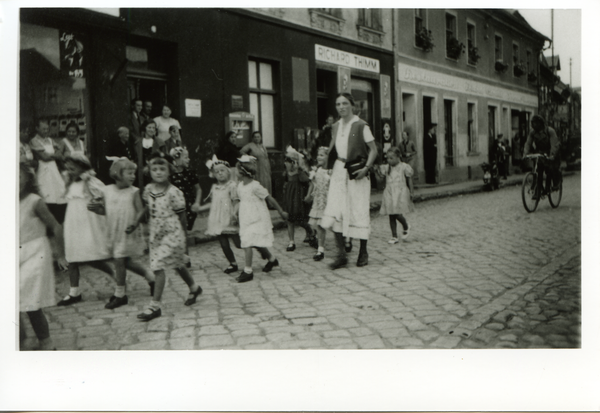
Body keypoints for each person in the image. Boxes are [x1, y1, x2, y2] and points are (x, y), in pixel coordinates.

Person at [127, 153, 203, 321]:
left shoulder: (174, 192)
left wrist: (183, 239)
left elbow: (182, 217)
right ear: (149, 171)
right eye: (154, 169)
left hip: (172, 232)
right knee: (177, 263)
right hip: (156, 232)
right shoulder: (148, 190)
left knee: (158, 266)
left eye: (162, 169)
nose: (158, 172)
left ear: (170, 171)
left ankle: (155, 305)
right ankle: (194, 287)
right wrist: (136, 222)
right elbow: (146, 209)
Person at [320, 93, 378, 269]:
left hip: (357, 172)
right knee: (335, 210)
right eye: (338, 104)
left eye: (345, 103)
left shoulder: (361, 125)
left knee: (358, 210)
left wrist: (366, 168)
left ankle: (363, 251)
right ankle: (342, 255)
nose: (341, 107)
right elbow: (333, 149)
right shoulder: (336, 126)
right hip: (339, 171)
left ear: (352, 105)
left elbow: (373, 150)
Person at [89, 157, 156, 309]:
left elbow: (140, 211)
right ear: (117, 173)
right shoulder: (107, 191)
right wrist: (97, 209)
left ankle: (120, 294)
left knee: (119, 260)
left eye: (134, 173)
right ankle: (151, 277)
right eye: (129, 173)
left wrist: (135, 223)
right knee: (125, 261)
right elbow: (107, 210)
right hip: (113, 230)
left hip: (127, 231)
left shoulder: (134, 192)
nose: (133, 176)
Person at [19, 164, 68, 350]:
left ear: (27, 180)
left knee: (30, 301)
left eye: (19, 177)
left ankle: (46, 343)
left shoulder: (34, 201)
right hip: (15, 253)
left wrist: (61, 254)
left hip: (35, 253)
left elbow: (56, 226)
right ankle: (20, 343)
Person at [57, 153, 115, 306]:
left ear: (83, 167)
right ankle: (74, 292)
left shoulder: (90, 181)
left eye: (73, 168)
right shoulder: (70, 182)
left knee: (93, 257)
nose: (70, 171)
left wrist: (99, 204)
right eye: (68, 168)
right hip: (73, 223)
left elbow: (106, 195)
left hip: (87, 224)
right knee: (72, 258)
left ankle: (116, 277)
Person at [235, 156, 288, 283]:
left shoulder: (255, 186)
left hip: (257, 218)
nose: (235, 172)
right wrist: (235, 214)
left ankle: (248, 271)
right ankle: (271, 259)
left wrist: (280, 211)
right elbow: (240, 201)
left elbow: (270, 198)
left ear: (243, 172)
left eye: (237, 170)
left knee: (248, 241)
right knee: (255, 242)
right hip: (246, 217)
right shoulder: (240, 186)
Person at [199, 157, 242, 274]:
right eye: (217, 172)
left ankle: (260, 249)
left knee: (239, 243)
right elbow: (213, 204)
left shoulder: (232, 186)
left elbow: (236, 201)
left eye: (222, 171)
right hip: (218, 220)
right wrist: (201, 208)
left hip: (230, 218)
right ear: (213, 175)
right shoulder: (215, 187)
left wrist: (235, 214)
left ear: (228, 171)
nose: (220, 174)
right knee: (223, 243)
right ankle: (232, 263)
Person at [29, 119, 67, 223]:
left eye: (47, 129)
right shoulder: (34, 141)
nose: (46, 131)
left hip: (53, 170)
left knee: (59, 192)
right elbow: (43, 157)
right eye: (43, 129)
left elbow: (59, 150)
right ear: (37, 128)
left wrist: (52, 155)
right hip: (43, 170)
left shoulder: (50, 140)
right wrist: (56, 156)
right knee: (47, 194)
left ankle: (58, 221)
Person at [282, 146, 317, 252]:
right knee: (290, 219)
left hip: (298, 198)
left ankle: (311, 232)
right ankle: (291, 241)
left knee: (300, 219)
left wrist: (308, 195)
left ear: (294, 163)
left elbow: (310, 183)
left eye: (288, 162)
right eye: (285, 162)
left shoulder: (300, 173)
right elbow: (286, 183)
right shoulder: (287, 173)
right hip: (290, 196)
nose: (286, 164)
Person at [379, 147, 414, 244]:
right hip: (389, 192)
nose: (389, 160)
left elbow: (409, 179)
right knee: (391, 214)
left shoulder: (404, 167)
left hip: (400, 192)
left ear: (398, 157)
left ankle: (406, 225)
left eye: (391, 158)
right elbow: (381, 177)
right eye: (388, 158)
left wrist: (411, 191)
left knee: (397, 213)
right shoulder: (386, 168)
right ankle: (394, 236)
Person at [523, 114, 561, 199]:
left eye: (536, 123)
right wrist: (525, 154)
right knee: (539, 171)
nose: (534, 126)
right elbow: (528, 143)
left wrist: (552, 155)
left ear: (541, 124)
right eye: (533, 123)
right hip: (540, 153)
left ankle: (551, 186)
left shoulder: (550, 131)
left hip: (550, 151)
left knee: (551, 169)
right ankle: (538, 191)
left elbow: (554, 145)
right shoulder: (533, 132)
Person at [306, 146, 331, 261]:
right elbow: (312, 184)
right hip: (319, 202)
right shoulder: (317, 170)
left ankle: (346, 241)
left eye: (322, 155)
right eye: (318, 155)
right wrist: (309, 195)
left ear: (328, 156)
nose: (318, 157)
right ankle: (320, 249)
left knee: (335, 225)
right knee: (319, 226)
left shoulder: (331, 171)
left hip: (329, 202)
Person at [169, 147, 201, 231]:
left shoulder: (190, 173)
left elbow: (198, 189)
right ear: (177, 159)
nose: (189, 159)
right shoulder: (170, 175)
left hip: (189, 207)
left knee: (186, 230)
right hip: (175, 207)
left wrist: (197, 203)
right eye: (186, 157)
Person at [240, 131, 272, 195]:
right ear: (252, 138)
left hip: (265, 168)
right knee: (260, 182)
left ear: (261, 138)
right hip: (258, 167)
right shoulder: (250, 145)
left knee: (266, 182)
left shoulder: (262, 146)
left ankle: (267, 201)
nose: (257, 138)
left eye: (258, 137)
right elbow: (241, 151)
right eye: (255, 137)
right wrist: (249, 158)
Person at [134, 119, 160, 188]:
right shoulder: (137, 143)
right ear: (145, 128)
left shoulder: (160, 143)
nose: (152, 130)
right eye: (149, 127)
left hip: (154, 172)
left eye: (153, 128)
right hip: (140, 174)